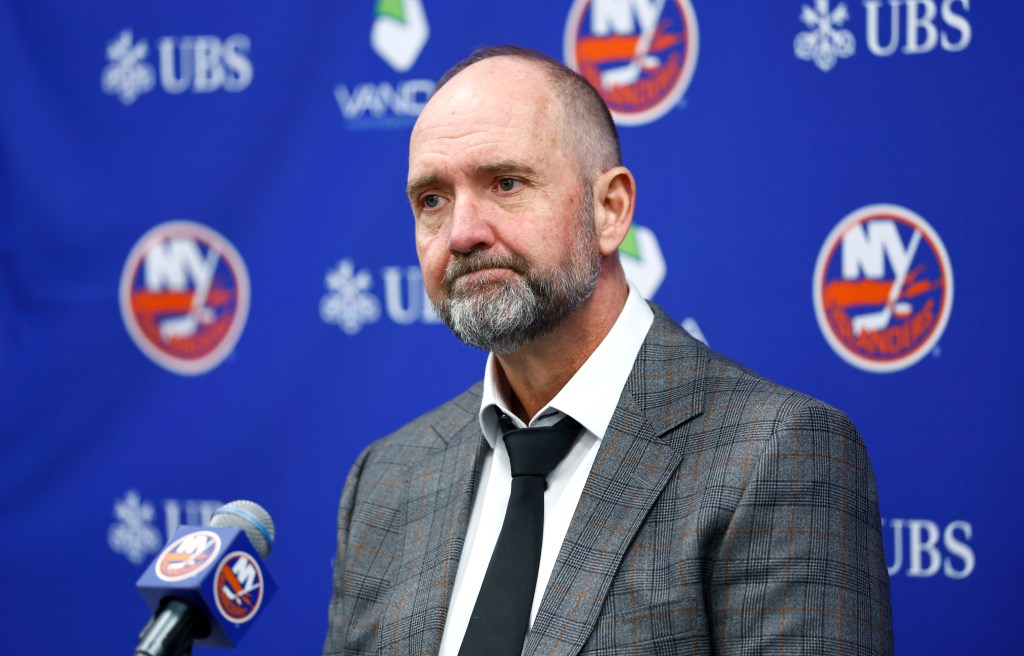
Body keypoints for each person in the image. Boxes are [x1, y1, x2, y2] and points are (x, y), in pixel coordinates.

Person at [323, 45, 893, 656]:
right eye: (432, 200)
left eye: (505, 183)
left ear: (610, 210)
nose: (462, 233)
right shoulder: (386, 477)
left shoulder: (777, 453)